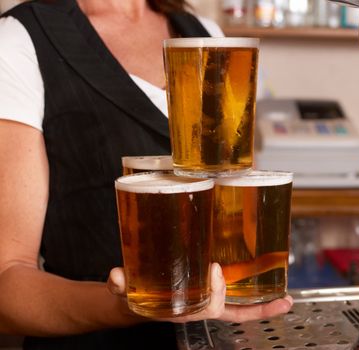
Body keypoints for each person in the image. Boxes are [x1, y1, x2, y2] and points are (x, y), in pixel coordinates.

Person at [0, 0, 293, 349]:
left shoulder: (203, 33)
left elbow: (236, 200)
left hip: (212, 340)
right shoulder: (19, 41)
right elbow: (6, 286)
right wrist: (130, 305)